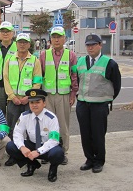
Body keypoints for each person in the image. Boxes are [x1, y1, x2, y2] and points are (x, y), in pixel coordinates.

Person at [76, 34, 121, 173]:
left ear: (100, 45)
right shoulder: (81, 61)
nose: (90, 47)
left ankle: (99, 161)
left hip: (99, 105)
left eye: (93, 45)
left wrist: (106, 99)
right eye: (88, 45)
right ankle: (89, 159)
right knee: (85, 133)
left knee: (98, 134)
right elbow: (79, 80)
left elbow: (117, 85)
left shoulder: (110, 63)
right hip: (83, 104)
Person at [6, 89, 64, 182]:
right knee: (10, 146)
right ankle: (32, 164)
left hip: (47, 147)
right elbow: (17, 133)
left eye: (38, 102)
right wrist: (22, 147)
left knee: (57, 153)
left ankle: (53, 169)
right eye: (32, 102)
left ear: (44, 103)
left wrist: (38, 151)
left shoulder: (51, 118)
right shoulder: (24, 116)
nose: (34, 105)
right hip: (32, 145)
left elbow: (54, 140)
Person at [39, 26, 78, 165]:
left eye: (59, 36)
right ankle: (46, 151)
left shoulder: (71, 55)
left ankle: (63, 152)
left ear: (64, 38)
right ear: (50, 39)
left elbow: (74, 75)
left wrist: (73, 93)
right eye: (54, 37)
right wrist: (40, 95)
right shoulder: (43, 55)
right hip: (47, 95)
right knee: (46, 125)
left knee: (63, 126)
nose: (56, 39)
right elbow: (40, 75)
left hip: (64, 95)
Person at [3, 33, 42, 166]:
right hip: (13, 100)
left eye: (25, 42)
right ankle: (13, 155)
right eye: (20, 42)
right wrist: (12, 96)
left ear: (29, 45)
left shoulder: (35, 61)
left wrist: (29, 97)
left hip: (28, 101)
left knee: (30, 128)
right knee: (13, 128)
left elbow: (37, 82)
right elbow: (6, 79)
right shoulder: (9, 60)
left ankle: (31, 154)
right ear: (16, 43)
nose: (22, 44)